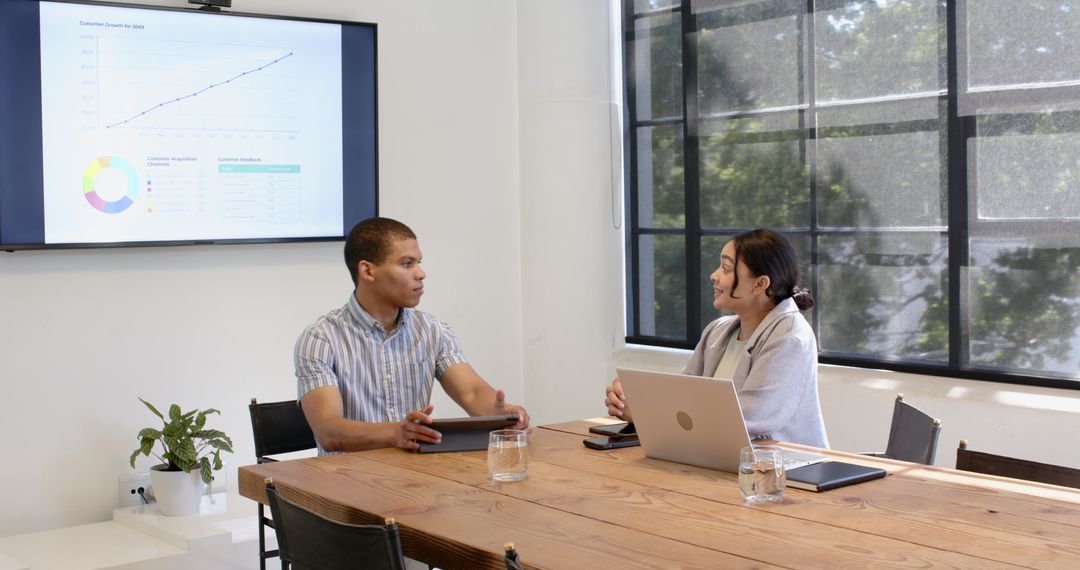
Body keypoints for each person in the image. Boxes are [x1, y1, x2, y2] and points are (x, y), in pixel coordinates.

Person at [295, 217, 529, 453]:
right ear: (368, 271)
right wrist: (396, 433)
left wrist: (501, 417)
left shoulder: (432, 330)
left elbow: (472, 392)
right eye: (407, 264)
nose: (421, 273)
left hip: (414, 470)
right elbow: (329, 431)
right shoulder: (321, 339)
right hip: (347, 474)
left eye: (419, 262)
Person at [605, 228, 828, 447]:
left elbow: (749, 417)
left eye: (726, 269)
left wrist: (646, 412)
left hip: (786, 469)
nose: (714, 275)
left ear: (760, 284)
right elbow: (682, 399)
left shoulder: (790, 336)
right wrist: (633, 399)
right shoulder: (717, 330)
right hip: (720, 461)